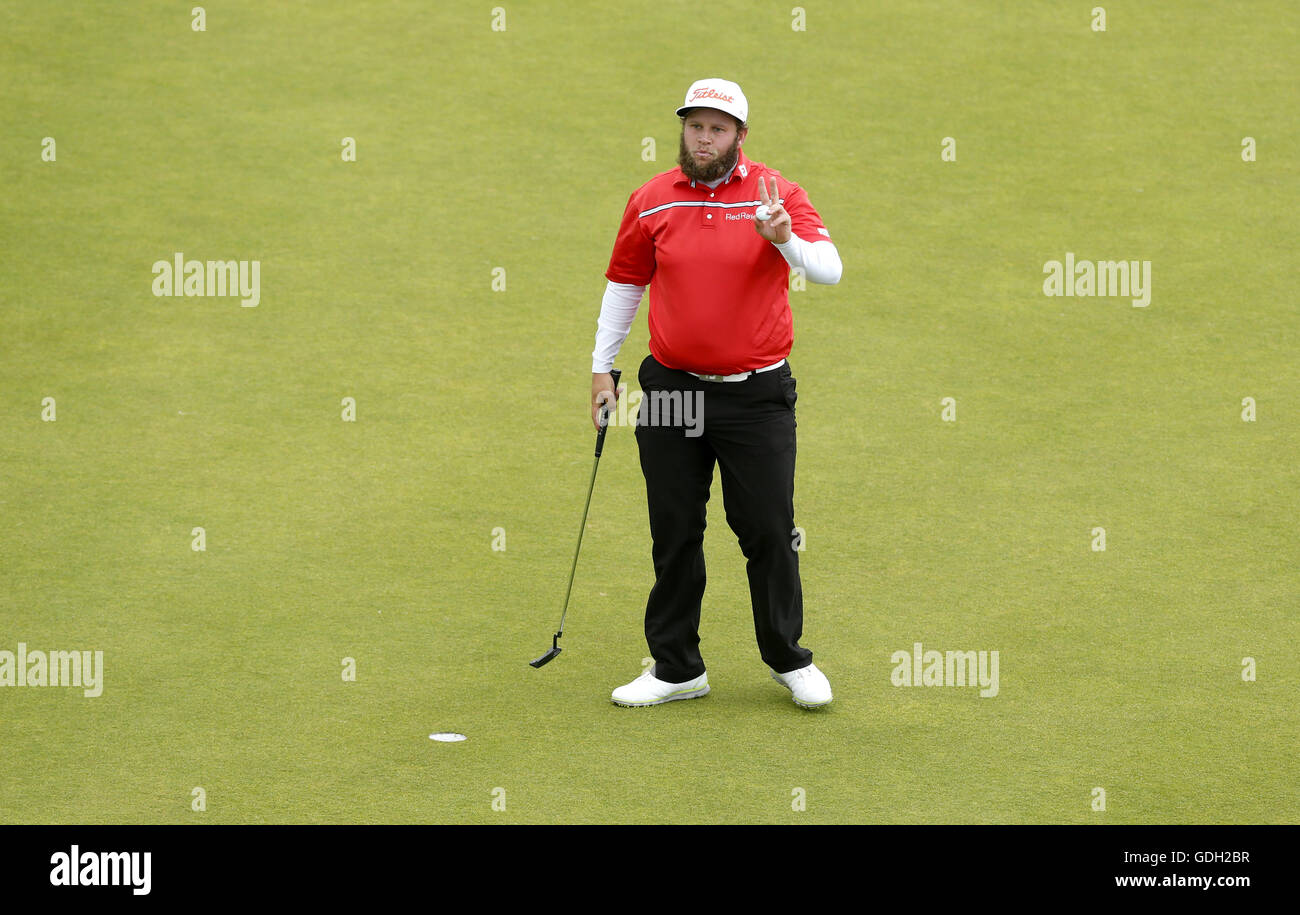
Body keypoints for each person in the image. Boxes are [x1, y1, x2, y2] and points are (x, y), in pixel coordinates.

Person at [591, 78, 842, 709]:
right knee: (674, 528)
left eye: (718, 128)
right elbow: (626, 283)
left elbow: (829, 271)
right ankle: (677, 668)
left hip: (755, 397)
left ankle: (788, 659)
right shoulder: (652, 200)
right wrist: (603, 367)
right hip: (673, 389)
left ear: (740, 136)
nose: (704, 138)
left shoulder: (777, 195)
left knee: (766, 529)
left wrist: (782, 237)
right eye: (695, 126)